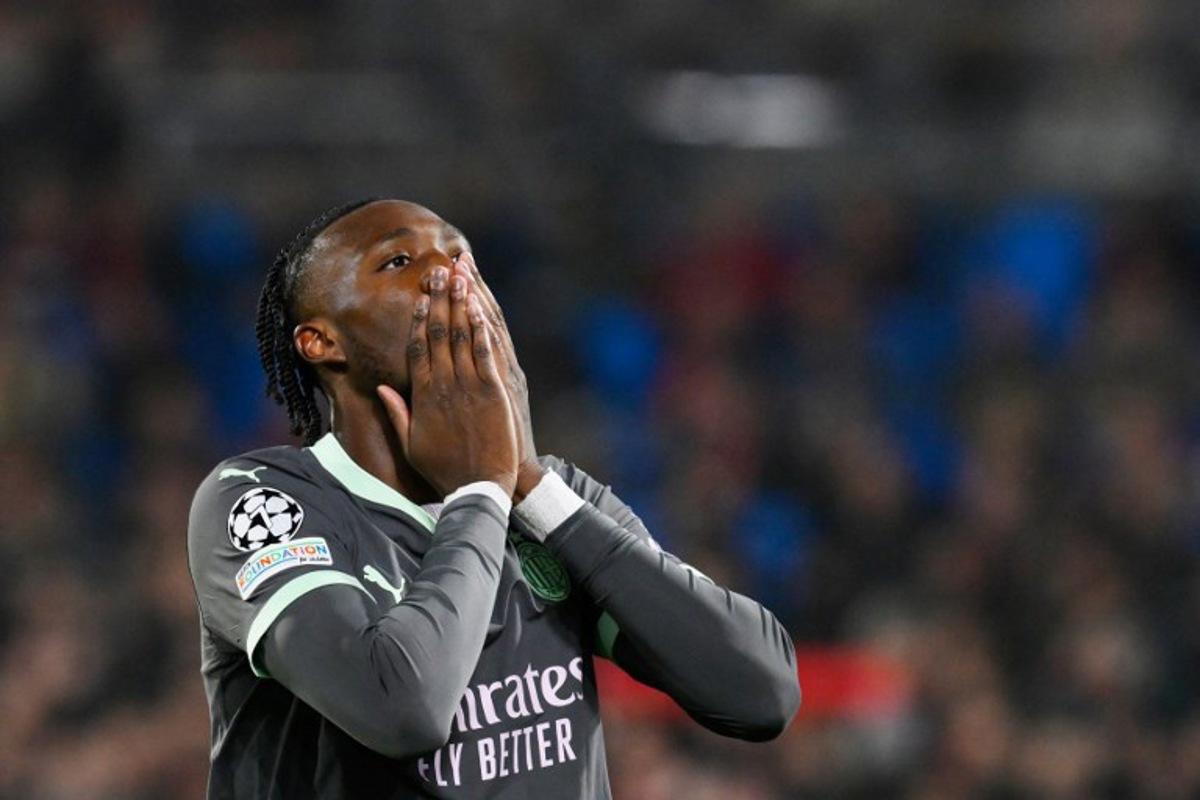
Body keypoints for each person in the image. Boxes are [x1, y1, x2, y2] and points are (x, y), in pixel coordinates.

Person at [187, 198, 801, 799]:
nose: (445, 274)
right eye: (398, 262)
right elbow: (401, 709)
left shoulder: (551, 505)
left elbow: (760, 694)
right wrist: (480, 491)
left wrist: (527, 482)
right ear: (321, 342)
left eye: (459, 255)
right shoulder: (264, 502)